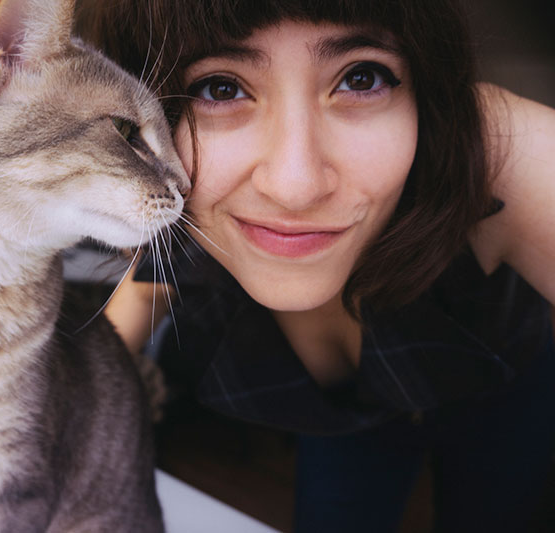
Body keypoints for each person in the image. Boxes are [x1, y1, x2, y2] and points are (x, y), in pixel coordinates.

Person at [79, 1, 555, 531]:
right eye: (220, 88)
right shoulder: (176, 197)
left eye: (361, 77)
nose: (295, 187)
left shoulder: (488, 148)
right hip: (349, 423)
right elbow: (137, 303)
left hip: (505, 395)